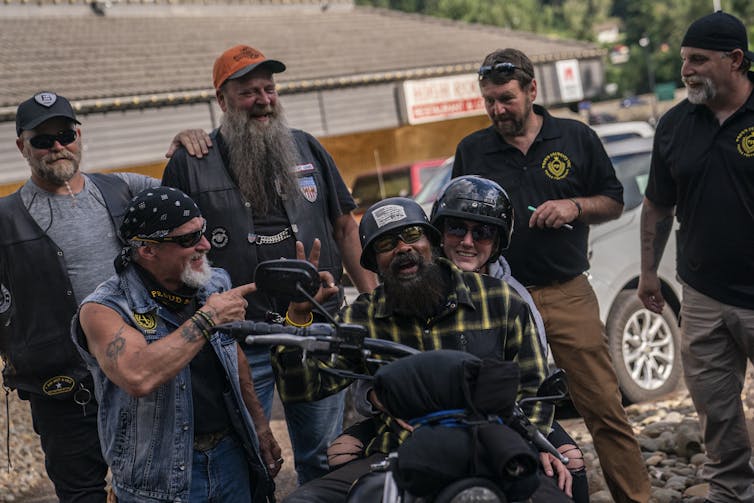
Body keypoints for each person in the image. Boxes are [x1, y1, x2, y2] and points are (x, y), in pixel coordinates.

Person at [161, 44, 378, 484]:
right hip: (241, 339)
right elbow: (167, 249)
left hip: (315, 328)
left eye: (269, 88)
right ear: (222, 101)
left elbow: (345, 228)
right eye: (248, 92)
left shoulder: (306, 147)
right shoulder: (191, 162)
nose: (263, 99)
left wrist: (376, 300)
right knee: (248, 457)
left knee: (325, 457)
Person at [452, 48, 651, 503]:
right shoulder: (472, 150)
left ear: (532, 90)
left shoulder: (575, 137)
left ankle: (637, 498)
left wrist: (575, 206)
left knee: (605, 408)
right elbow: (455, 225)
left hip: (567, 293)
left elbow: (614, 201)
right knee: (497, 411)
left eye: (506, 98)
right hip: (497, 299)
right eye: (489, 101)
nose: (498, 110)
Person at [282, 196, 572, 503]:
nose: (402, 248)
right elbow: (304, 388)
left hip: (487, 446)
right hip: (398, 452)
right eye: (386, 244)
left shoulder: (499, 300)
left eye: (411, 236)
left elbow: (533, 386)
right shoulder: (363, 315)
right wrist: (298, 315)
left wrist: (525, 445)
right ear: (374, 264)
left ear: (431, 242)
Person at [71, 186, 281, 502]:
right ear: (147, 250)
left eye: (203, 232)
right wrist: (208, 318)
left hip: (230, 456)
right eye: (188, 239)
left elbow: (233, 356)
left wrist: (260, 427)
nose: (205, 245)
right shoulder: (104, 308)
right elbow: (137, 375)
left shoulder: (212, 282)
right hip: (160, 477)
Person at [0, 91, 159, 502]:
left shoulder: (123, 188)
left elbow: (195, 194)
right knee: (82, 494)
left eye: (65, 134)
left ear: (79, 135)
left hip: (138, 377)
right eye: (42, 139)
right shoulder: (4, 218)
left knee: (154, 488)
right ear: (22, 146)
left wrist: (192, 144)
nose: (57, 146)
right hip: (64, 392)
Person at [638, 11, 754, 503]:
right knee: (715, 407)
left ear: (735, 60)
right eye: (684, 59)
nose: (686, 70)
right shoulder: (674, 125)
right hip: (703, 293)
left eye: (698, 60)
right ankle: (731, 491)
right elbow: (657, 205)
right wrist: (647, 274)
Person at [430, 174, 588, 503]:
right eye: (457, 228)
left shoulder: (513, 297)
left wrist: (534, 439)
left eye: (483, 232)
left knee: (570, 465)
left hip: (512, 415)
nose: (468, 241)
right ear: (439, 231)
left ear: (499, 241)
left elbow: (536, 378)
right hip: (436, 420)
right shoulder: (420, 288)